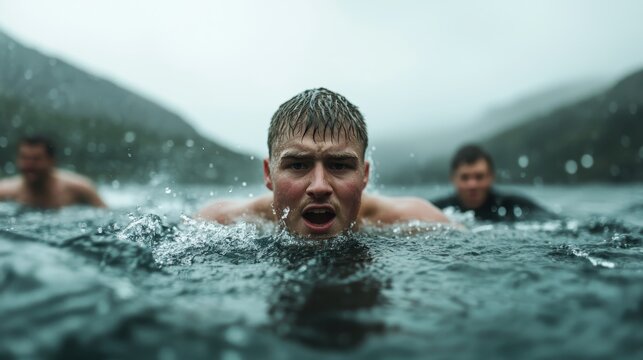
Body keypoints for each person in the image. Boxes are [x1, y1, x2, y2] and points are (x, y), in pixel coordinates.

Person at [198, 88, 449, 238]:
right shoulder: (218, 222)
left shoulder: (421, 221)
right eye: (297, 165)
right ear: (268, 174)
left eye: (339, 165)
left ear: (365, 175)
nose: (319, 187)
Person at [432, 144, 553, 222]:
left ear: (491, 177)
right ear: (453, 179)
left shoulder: (516, 206)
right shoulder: (436, 209)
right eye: (465, 178)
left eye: (479, 177)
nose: (472, 185)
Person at [0, 136, 106, 209]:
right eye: (24, 158)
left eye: (36, 159)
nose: (29, 165)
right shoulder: (5, 192)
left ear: (51, 161)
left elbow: (106, 219)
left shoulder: (80, 189)